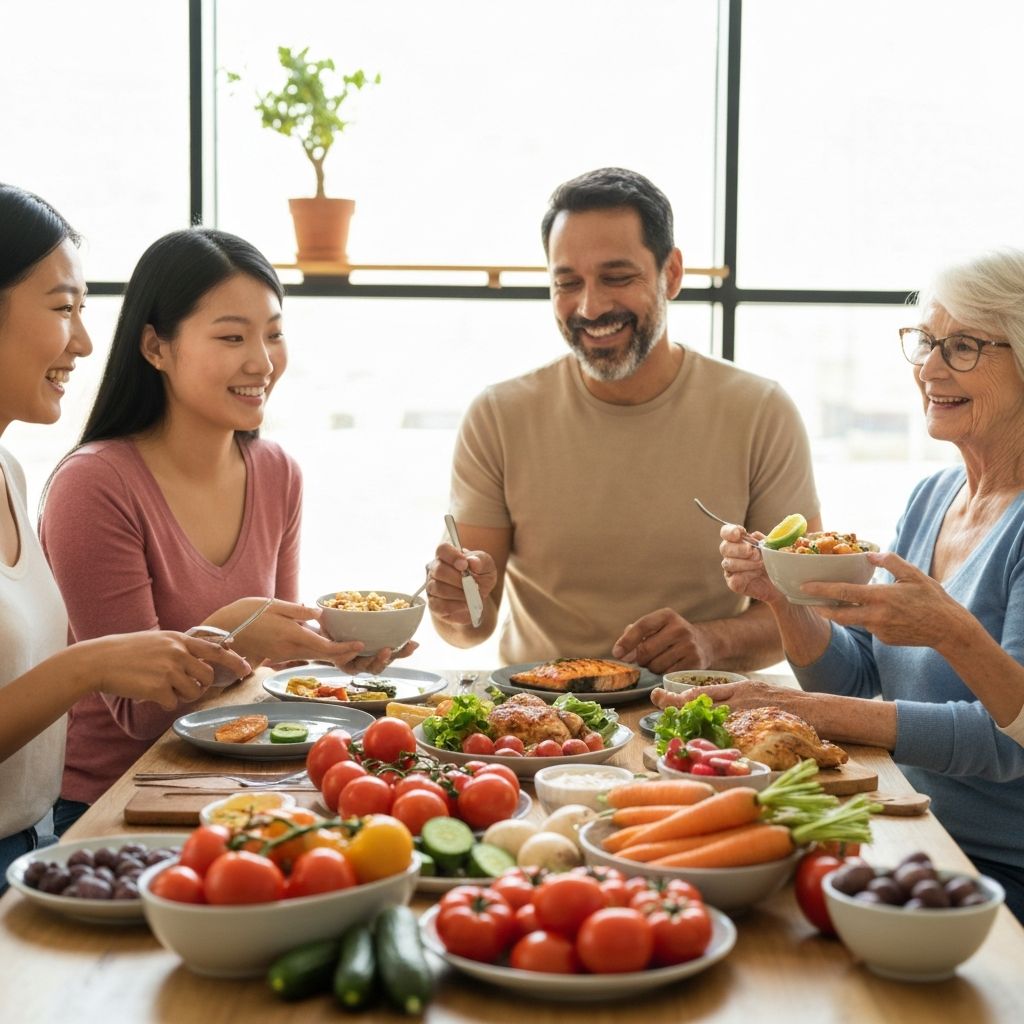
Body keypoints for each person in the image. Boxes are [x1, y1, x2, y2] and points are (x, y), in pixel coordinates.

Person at [665, 248, 1024, 922]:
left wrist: (815, 714)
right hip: (907, 832)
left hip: (994, 871)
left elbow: (1007, 738)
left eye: (965, 347)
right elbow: (858, 678)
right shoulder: (932, 498)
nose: (930, 369)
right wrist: (780, 598)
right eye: (927, 342)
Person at [39, 226, 416, 830]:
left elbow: (270, 678)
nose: (262, 362)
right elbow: (138, 712)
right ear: (156, 347)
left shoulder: (276, 473)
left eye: (273, 333)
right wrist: (240, 632)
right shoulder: (94, 485)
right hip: (114, 806)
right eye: (233, 336)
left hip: (240, 782)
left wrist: (336, 657)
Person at [426, 167, 820, 672]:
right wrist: (453, 604)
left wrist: (711, 641)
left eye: (617, 277)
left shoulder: (762, 412)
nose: (590, 306)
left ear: (671, 274)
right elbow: (469, 627)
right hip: (534, 723)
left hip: (697, 717)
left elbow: (804, 610)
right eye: (567, 282)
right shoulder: (498, 416)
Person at [0, 184, 249, 885]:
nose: (82, 342)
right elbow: (103, 692)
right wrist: (90, 666)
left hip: (33, 840)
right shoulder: (91, 480)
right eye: (62, 309)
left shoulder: (11, 474)